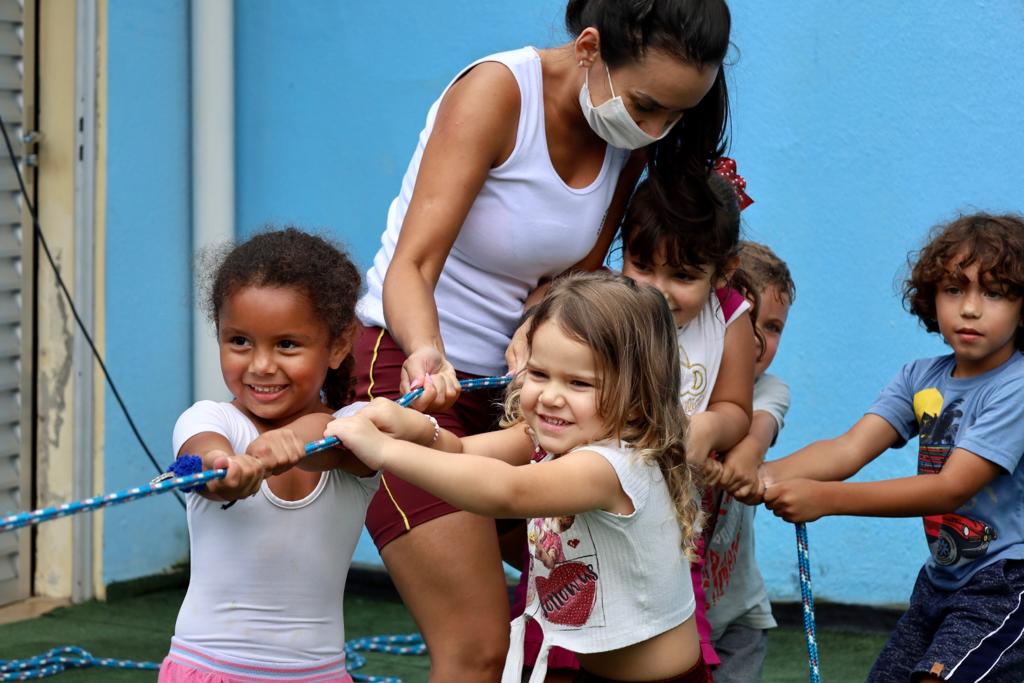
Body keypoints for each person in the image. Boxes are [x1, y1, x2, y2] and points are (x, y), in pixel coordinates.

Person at [353, 1, 734, 677]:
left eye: (675, 115)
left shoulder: (626, 132)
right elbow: (410, 266)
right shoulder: (499, 93)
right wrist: (424, 352)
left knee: (584, 590)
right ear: (589, 47)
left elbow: (576, 277)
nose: (655, 130)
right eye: (647, 107)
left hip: (534, 387)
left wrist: (539, 333)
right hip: (414, 366)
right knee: (477, 645)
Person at [329, 272, 711, 683]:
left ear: (637, 398)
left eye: (579, 383)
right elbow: (462, 451)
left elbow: (505, 492)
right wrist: (412, 427)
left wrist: (385, 451)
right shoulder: (554, 440)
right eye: (541, 374)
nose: (550, 396)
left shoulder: (609, 466)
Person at [762, 213, 1024, 682]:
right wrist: (762, 476)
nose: (970, 308)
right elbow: (846, 449)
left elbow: (949, 489)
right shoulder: (919, 377)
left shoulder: (1017, 386)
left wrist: (826, 500)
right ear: (931, 298)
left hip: (1007, 584)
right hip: (941, 580)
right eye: (954, 289)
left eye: (995, 293)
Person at [158, 229, 380, 683]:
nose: (260, 365)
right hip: (207, 671)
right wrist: (222, 472)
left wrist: (294, 438)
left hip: (320, 675)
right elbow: (202, 453)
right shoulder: (210, 420)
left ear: (338, 345)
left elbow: (337, 440)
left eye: (287, 345)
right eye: (239, 341)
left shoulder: (360, 427)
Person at [620, 167, 757, 667]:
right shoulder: (603, 307)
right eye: (641, 266)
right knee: (568, 640)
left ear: (723, 272)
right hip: (589, 508)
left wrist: (710, 427)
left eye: (682, 276)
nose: (657, 290)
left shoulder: (729, 318)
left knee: (672, 649)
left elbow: (736, 409)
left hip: (672, 520)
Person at [705, 241, 796, 682]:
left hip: (739, 609)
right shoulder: (688, 384)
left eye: (774, 326)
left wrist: (737, 463)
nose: (758, 339)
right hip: (677, 608)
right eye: (744, 318)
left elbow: (756, 435)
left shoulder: (770, 389)